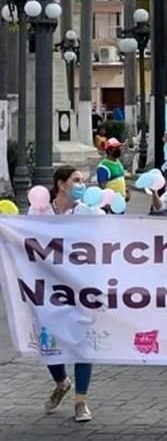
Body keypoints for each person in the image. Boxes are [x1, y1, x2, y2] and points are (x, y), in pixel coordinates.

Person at [29, 166, 98, 422]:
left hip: (81, 286)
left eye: (83, 180)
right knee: (48, 342)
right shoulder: (40, 211)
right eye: (76, 180)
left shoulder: (87, 211)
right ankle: (61, 383)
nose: (82, 184)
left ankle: (81, 401)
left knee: (81, 342)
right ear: (61, 184)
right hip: (47, 287)